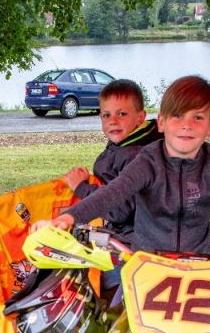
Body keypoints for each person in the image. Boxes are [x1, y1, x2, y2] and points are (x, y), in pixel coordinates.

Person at [33, 75, 210, 267]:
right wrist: (66, 219)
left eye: (198, 118)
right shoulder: (148, 159)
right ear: (161, 123)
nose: (186, 125)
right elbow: (113, 194)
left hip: (197, 266)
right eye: (177, 116)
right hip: (145, 263)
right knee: (120, 326)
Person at [60, 78, 162, 244]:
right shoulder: (126, 142)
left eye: (121, 114)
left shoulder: (137, 155)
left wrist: (81, 188)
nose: (113, 121)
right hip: (118, 227)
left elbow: (120, 210)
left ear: (140, 117)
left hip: (132, 239)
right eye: (106, 115)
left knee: (64, 239)